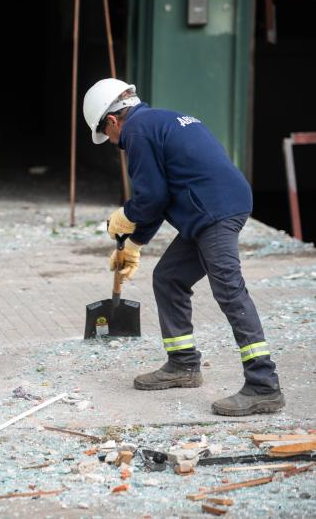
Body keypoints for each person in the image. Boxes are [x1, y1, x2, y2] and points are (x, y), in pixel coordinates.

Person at [82, 78, 284, 416]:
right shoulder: (161, 119)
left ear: (113, 121)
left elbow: (151, 199)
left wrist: (125, 215)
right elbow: (162, 195)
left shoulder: (137, 132)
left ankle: (264, 385)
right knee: (169, 277)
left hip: (214, 213)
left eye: (109, 136)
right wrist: (134, 243)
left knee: (230, 292)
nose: (113, 143)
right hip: (214, 207)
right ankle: (183, 364)